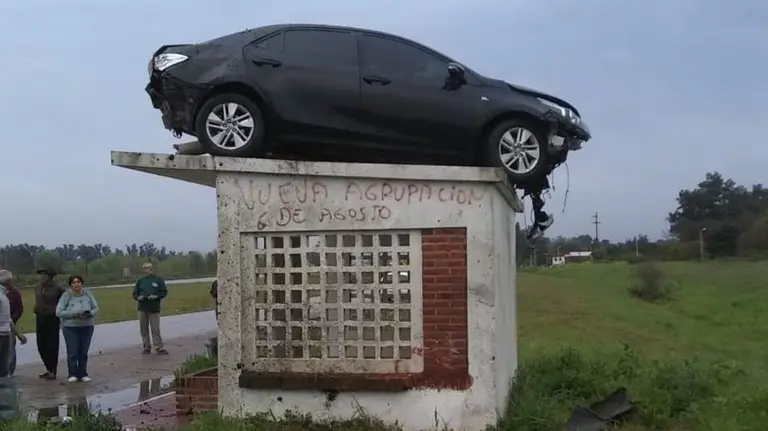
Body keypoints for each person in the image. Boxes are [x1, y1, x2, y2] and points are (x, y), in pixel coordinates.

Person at [56, 275, 98, 383]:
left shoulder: (88, 294)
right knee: (73, 351)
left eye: (78, 282)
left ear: (81, 283)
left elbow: (95, 307)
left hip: (87, 326)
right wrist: (74, 314)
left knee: (83, 351)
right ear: (71, 285)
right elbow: (59, 312)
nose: (76, 284)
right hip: (71, 327)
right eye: (74, 282)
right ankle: (72, 373)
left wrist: (90, 314)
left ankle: (83, 373)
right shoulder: (66, 296)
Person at [34, 268, 64, 380]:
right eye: (41, 275)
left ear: (50, 276)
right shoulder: (38, 287)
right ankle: (48, 368)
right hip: (40, 317)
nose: (42, 277)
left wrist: (53, 310)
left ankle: (53, 370)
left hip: (52, 318)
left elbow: (63, 303)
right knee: (41, 345)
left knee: (52, 345)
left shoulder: (58, 288)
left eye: (44, 275)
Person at [133, 262, 168, 355]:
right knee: (143, 328)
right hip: (142, 308)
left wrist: (156, 296)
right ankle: (146, 346)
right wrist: (138, 297)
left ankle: (159, 347)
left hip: (154, 307)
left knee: (155, 328)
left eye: (151, 267)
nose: (150, 269)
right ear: (144, 270)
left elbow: (164, 292)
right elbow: (134, 294)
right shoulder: (140, 280)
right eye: (147, 268)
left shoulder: (158, 279)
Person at [0, 271, 26, 378]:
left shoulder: (4, 295)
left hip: (6, 332)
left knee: (4, 365)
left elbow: (8, 319)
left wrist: (18, 333)